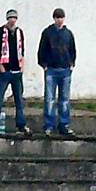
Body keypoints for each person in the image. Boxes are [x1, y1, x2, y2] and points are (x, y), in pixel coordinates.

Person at [0, 9, 30, 135]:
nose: (12, 20)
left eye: (14, 18)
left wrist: (22, 66)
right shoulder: (0, 31)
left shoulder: (19, 32)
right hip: (4, 70)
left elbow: (22, 50)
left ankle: (21, 124)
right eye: (10, 18)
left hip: (17, 71)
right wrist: (1, 66)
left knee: (19, 99)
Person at [38, 7, 76, 137]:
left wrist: (71, 64)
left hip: (65, 70)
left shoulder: (68, 33)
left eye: (61, 17)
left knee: (64, 99)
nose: (59, 20)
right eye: (57, 17)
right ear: (54, 18)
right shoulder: (47, 33)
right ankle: (49, 125)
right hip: (51, 70)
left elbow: (72, 50)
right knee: (49, 99)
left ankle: (64, 125)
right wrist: (44, 65)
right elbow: (41, 50)